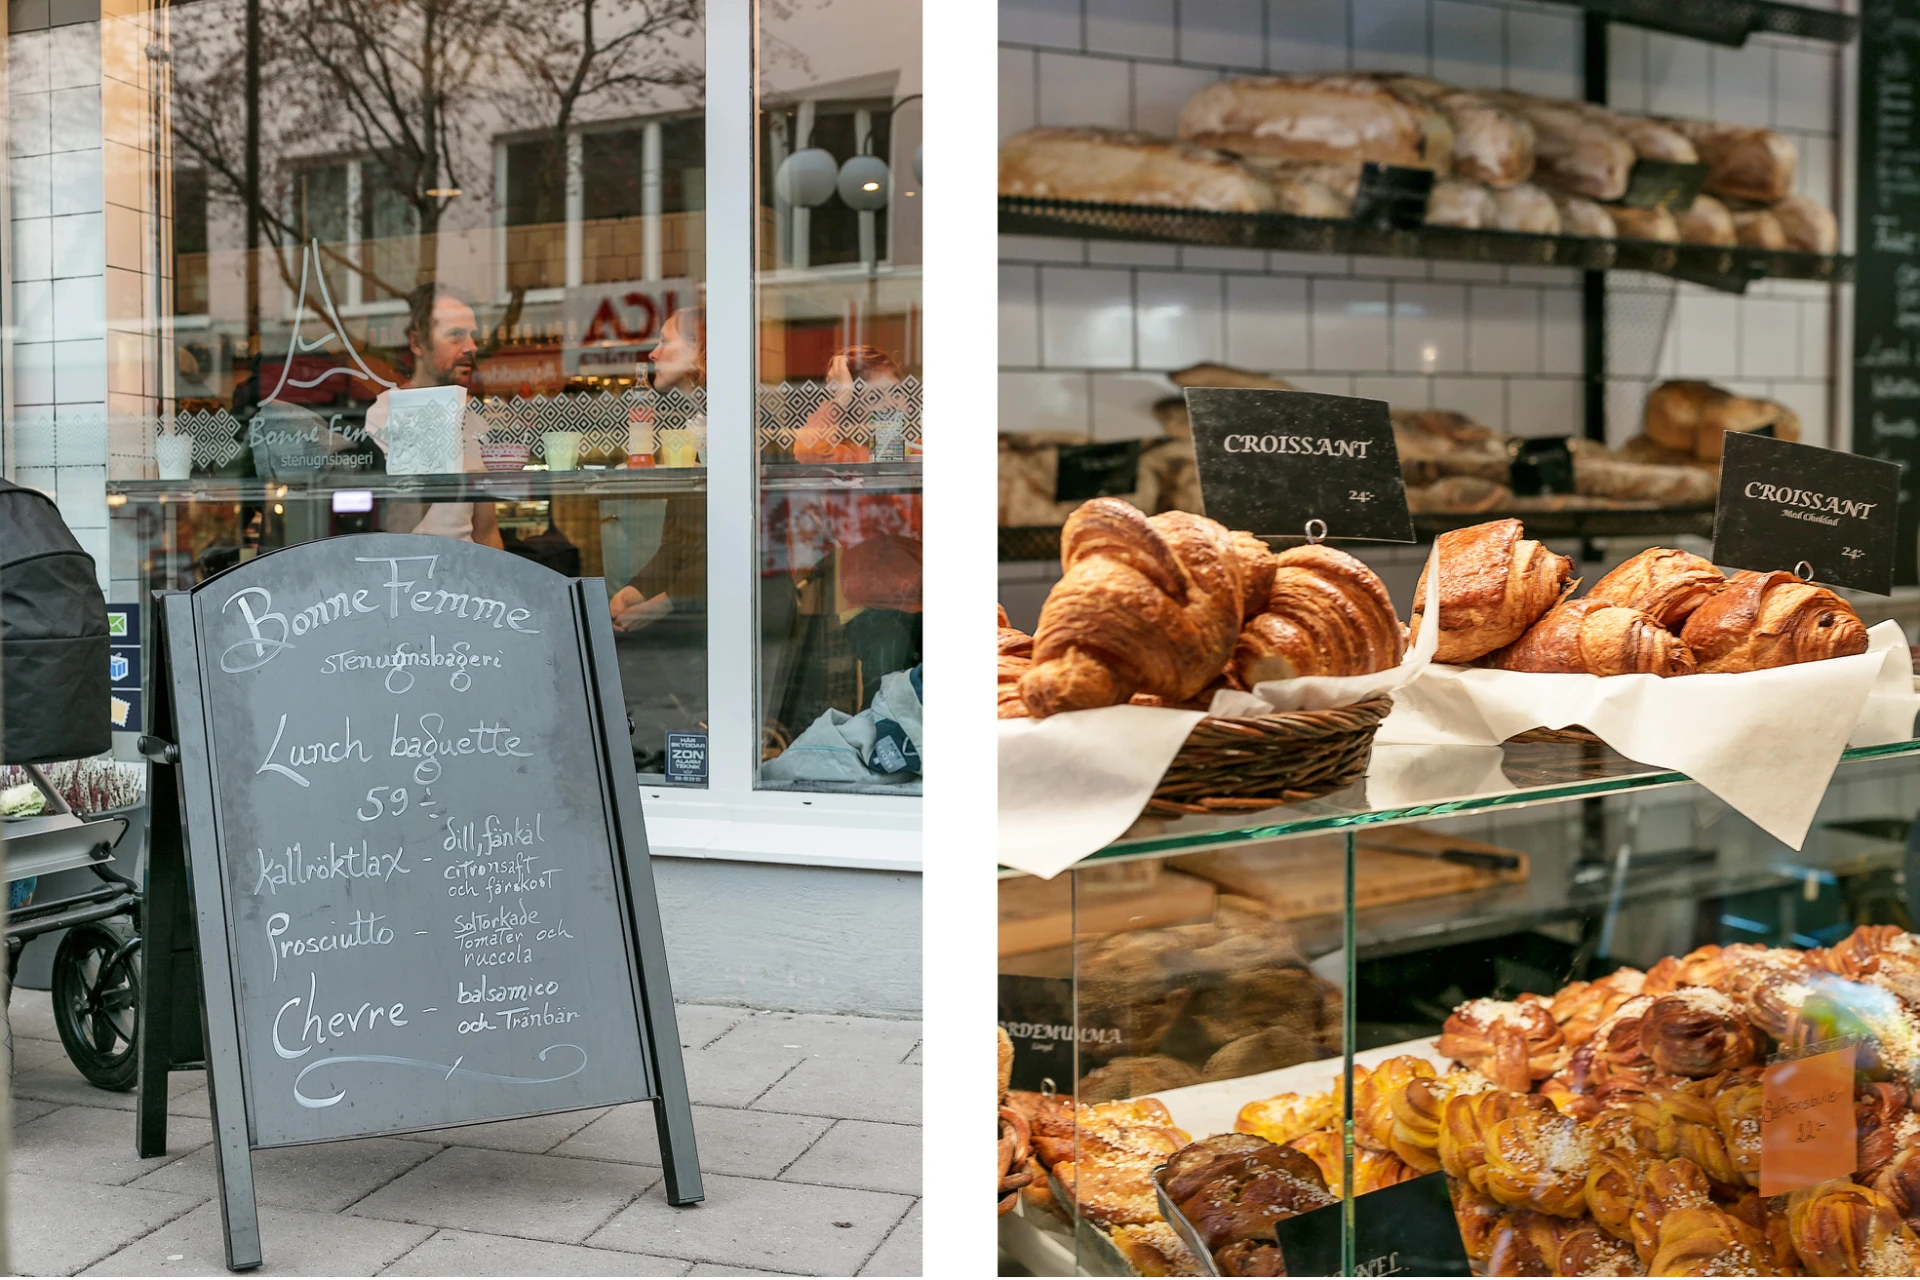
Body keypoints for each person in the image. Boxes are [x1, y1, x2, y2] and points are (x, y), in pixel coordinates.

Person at [362, 282, 503, 548]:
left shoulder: (473, 416)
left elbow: (485, 531)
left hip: (464, 580)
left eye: (473, 335)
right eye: (456, 335)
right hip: (401, 577)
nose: (471, 347)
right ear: (417, 342)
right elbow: (392, 526)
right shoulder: (382, 416)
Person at [609, 306, 706, 631]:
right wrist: (636, 590)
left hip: (740, 621)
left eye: (665, 341)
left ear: (700, 348)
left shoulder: (737, 424)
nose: (653, 353)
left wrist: (660, 605)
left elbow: (736, 548)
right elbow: (677, 541)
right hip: (697, 614)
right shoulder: (696, 427)